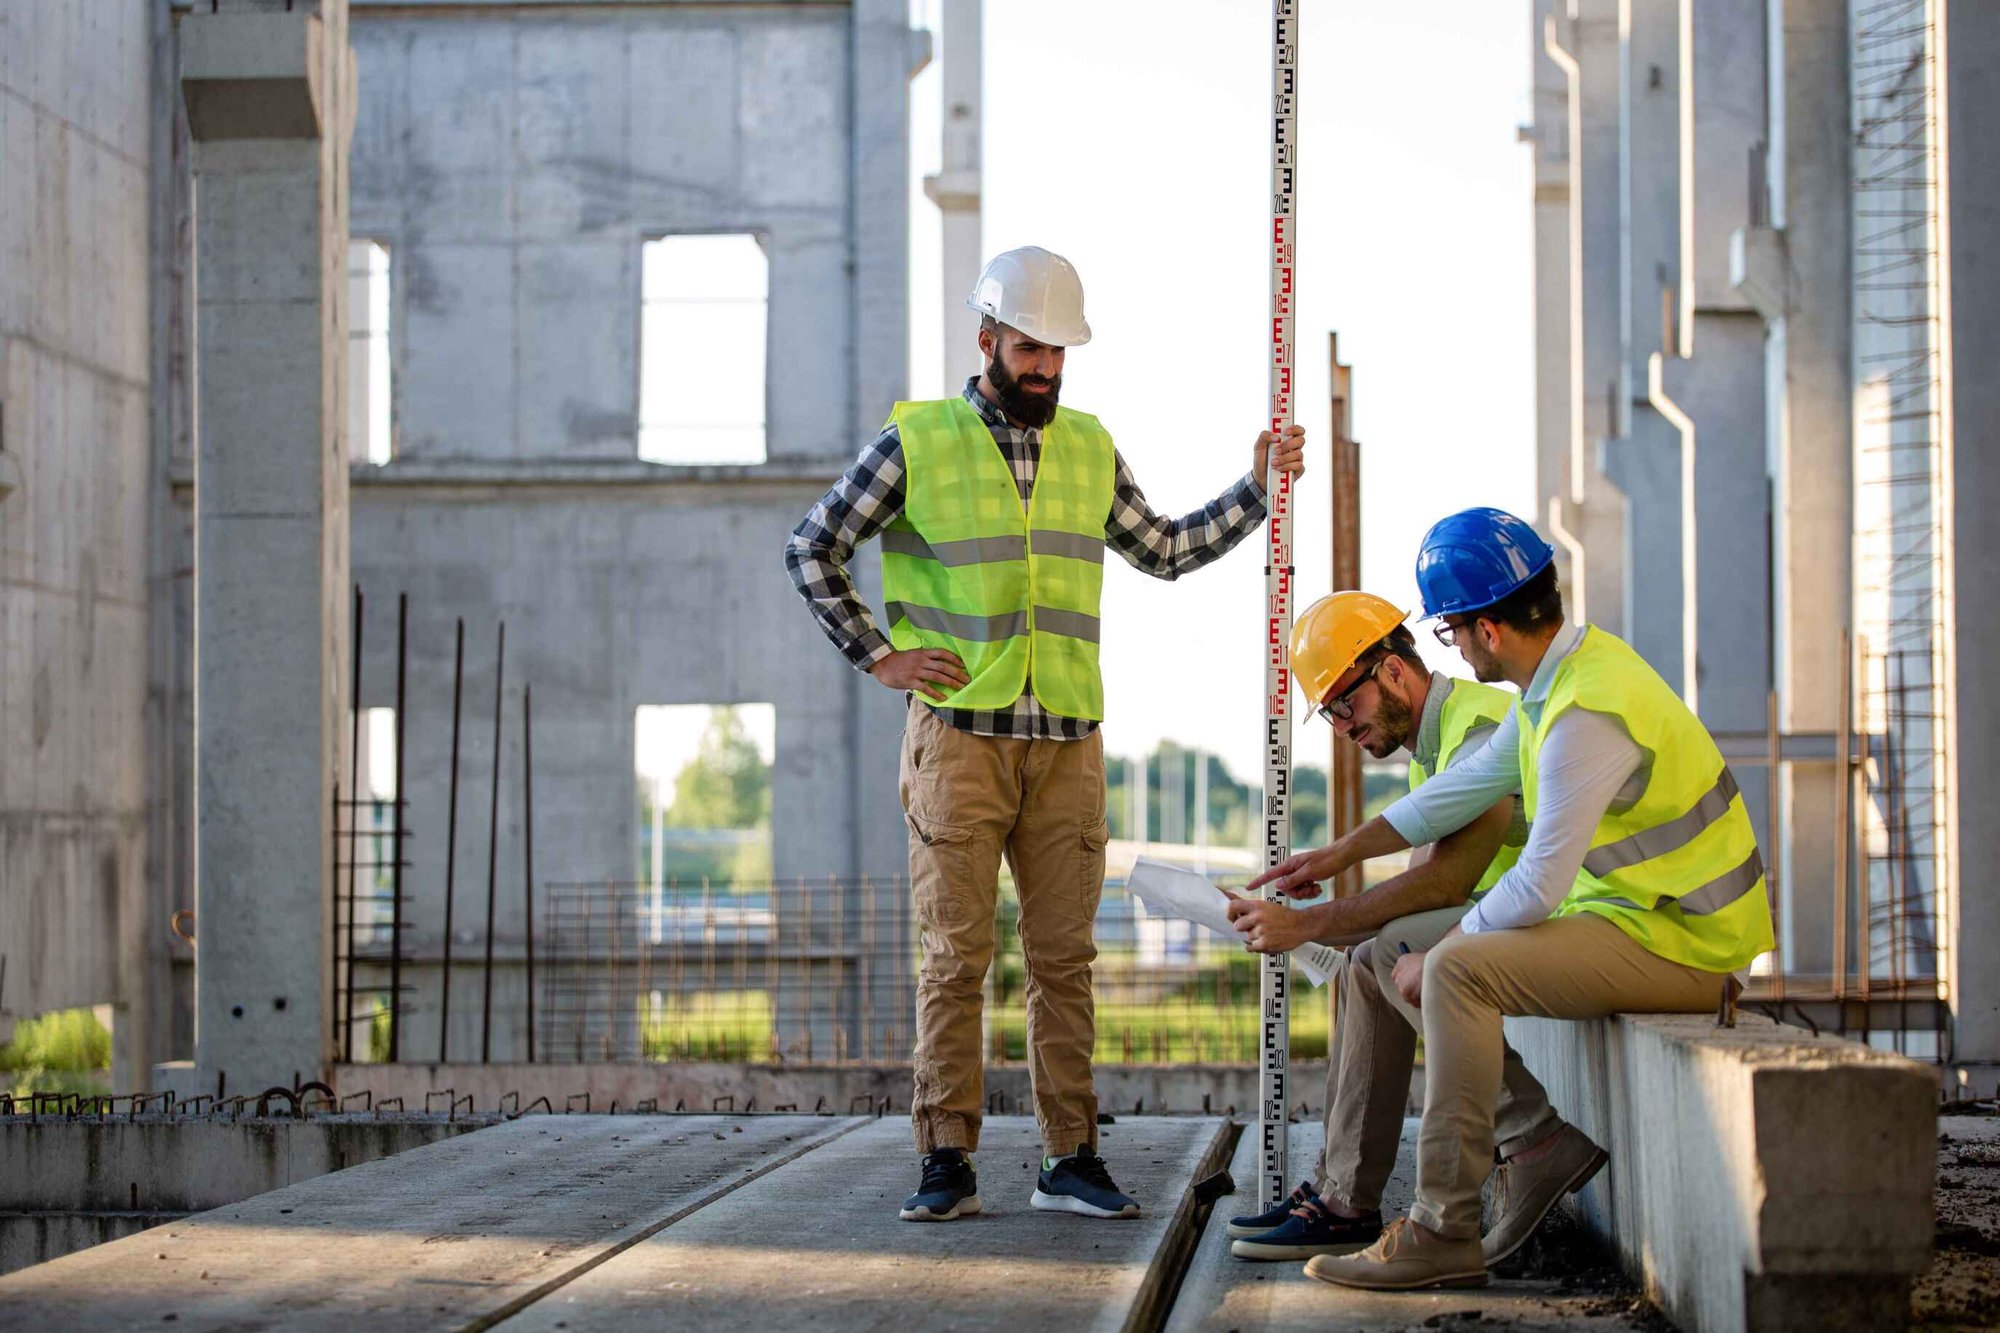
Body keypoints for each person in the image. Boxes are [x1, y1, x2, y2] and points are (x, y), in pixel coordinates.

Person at [785, 245, 1305, 1223]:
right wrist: (877, 656)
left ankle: (1070, 1155)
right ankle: (945, 1157)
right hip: (959, 742)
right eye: (1029, 349)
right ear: (985, 339)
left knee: (1066, 961)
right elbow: (811, 544)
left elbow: (1162, 550)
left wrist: (1253, 489)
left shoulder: (1087, 447)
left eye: (1058, 353)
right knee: (956, 957)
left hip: (1066, 740)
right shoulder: (917, 440)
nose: (1046, 370)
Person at [1248, 508, 1772, 1290]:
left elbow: (1537, 883)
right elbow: (1463, 789)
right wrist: (1340, 852)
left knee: (1455, 970)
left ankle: (1443, 1224)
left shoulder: (1581, 712)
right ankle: (1498, 1168)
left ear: (1488, 630)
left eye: (1452, 631)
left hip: (1683, 941)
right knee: (1423, 956)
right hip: (1637, 919)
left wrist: (1442, 952)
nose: (1451, 646)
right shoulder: (1559, 683)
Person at [1223, 590, 1591, 1263]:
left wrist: (1303, 923)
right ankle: (1345, 1199)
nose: (1340, 725)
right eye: (1328, 713)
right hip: (1520, 921)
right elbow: (1417, 895)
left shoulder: (1478, 726)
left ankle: (1533, 1138)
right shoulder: (1434, 741)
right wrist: (1314, 918)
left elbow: (1442, 885)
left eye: (1343, 703)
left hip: (1565, 921)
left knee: (1388, 946)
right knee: (1370, 957)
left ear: (1392, 669)